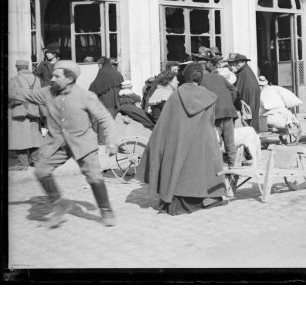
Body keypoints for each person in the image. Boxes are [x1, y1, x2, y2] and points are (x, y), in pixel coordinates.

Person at [8, 60, 118, 227]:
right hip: (58, 144)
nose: (52, 79)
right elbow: (25, 94)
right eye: (52, 75)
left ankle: (106, 209)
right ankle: (58, 205)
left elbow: (105, 119)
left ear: (69, 79)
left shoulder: (86, 96)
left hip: (83, 143)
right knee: (41, 170)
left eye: (56, 76)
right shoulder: (47, 93)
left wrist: (111, 141)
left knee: (94, 176)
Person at [138, 62, 227, 215]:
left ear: (185, 77)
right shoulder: (209, 96)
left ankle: (176, 198)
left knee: (178, 166)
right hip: (203, 139)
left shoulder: (175, 96)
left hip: (179, 139)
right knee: (203, 166)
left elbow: (166, 121)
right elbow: (210, 121)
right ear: (200, 78)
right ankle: (205, 198)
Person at [201, 54, 238, 168]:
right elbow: (233, 90)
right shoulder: (220, 78)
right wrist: (228, 102)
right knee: (229, 142)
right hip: (228, 111)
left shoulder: (202, 81)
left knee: (215, 142)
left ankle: (217, 168)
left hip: (215, 114)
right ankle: (233, 166)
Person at [8, 60, 43, 170]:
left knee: (20, 137)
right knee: (34, 135)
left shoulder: (15, 79)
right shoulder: (36, 79)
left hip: (20, 111)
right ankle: (36, 160)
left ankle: (22, 164)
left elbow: (11, 95)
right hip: (34, 110)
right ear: (27, 67)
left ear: (17, 67)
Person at [227, 53, 261, 132]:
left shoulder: (244, 73)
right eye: (230, 64)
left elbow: (237, 91)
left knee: (248, 117)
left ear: (242, 63)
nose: (231, 67)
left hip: (247, 99)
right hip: (249, 98)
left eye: (234, 64)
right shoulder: (245, 71)